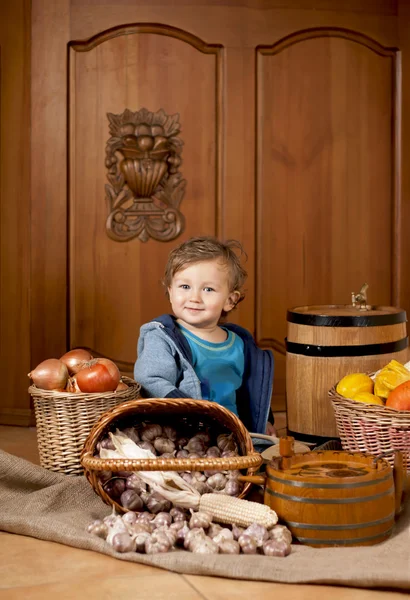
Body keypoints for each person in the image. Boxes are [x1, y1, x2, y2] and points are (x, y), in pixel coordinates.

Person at [133, 236, 275, 435]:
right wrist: (186, 408)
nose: (194, 298)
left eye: (208, 289)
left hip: (231, 433)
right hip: (181, 432)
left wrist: (264, 420)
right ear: (171, 291)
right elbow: (151, 379)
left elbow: (252, 391)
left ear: (230, 300)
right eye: (185, 287)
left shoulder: (240, 344)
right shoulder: (162, 337)